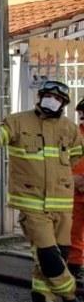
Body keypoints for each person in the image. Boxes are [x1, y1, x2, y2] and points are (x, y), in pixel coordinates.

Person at [1, 80, 83, 302]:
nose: (52, 100)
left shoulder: (69, 129)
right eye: (48, 95)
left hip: (62, 205)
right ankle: (69, 293)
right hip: (32, 203)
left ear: (64, 104)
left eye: (57, 98)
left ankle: (44, 301)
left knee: (59, 255)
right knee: (48, 256)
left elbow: (75, 157)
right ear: (40, 96)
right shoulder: (17, 121)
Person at [71, 99, 84, 288]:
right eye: (81, 116)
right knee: (74, 233)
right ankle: (74, 267)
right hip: (76, 192)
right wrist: (74, 179)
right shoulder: (74, 135)